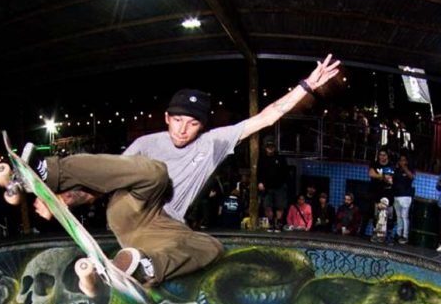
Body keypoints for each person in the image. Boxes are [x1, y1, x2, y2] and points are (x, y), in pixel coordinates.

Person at [31, 55, 341, 290]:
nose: (183, 130)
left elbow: (267, 116)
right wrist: (62, 199)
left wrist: (306, 86)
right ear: (167, 117)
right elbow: (101, 186)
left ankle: (146, 268)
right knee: (154, 173)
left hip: (161, 230)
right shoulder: (146, 142)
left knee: (211, 247)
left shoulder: (214, 142)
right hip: (129, 210)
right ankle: (52, 169)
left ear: (202, 126)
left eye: (192, 124)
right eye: (178, 120)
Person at [258, 136, 290, 231]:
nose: (270, 148)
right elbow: (259, 172)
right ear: (266, 147)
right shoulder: (262, 159)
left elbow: (286, 172)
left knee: (280, 206)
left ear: (274, 147)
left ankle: (279, 223)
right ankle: (271, 223)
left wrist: (284, 184)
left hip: (279, 186)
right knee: (267, 206)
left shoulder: (280, 159)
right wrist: (260, 183)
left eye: (272, 146)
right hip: (267, 187)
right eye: (268, 146)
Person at [392, 153, 415, 243]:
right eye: (401, 160)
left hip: (405, 196)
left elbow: (411, 177)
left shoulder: (410, 170)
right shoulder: (397, 170)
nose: (402, 161)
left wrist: (404, 167)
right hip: (396, 195)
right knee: (398, 216)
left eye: (404, 160)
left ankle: (405, 236)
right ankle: (398, 234)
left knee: (404, 216)